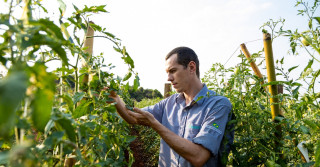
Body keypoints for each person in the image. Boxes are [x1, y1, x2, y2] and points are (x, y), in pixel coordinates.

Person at [109, 47, 233, 167]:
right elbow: (133, 118)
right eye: (168, 73)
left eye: (173, 71)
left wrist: (155, 124)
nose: (169, 78)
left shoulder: (218, 105)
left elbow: (199, 157)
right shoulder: (169, 103)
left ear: (191, 67)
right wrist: (115, 98)